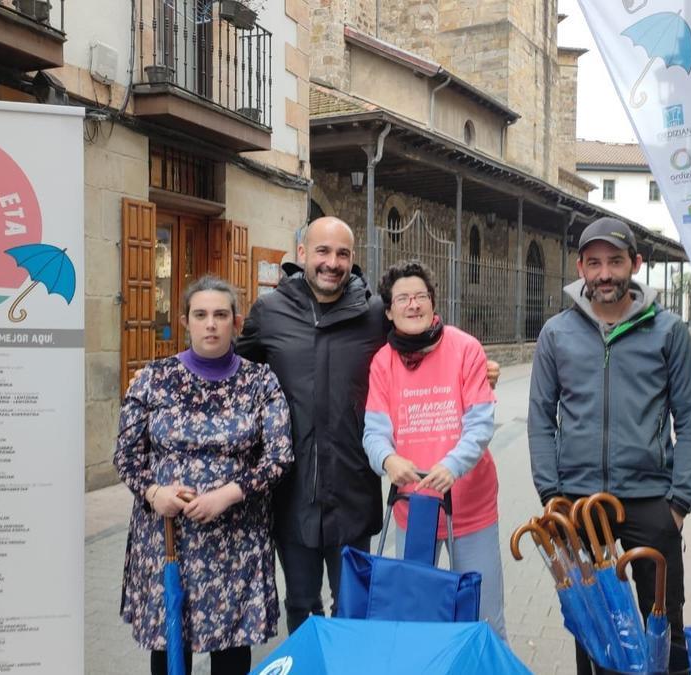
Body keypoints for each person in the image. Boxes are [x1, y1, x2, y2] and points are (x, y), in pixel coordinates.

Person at [236, 216, 500, 632]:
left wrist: (479, 367)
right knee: (302, 605)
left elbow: (420, 339)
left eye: (342, 253)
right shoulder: (269, 312)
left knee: (355, 607)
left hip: (351, 490)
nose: (332, 262)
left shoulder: (374, 313)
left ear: (353, 259)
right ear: (302, 253)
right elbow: (235, 376)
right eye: (322, 251)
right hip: (293, 490)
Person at [528, 216, 691, 674]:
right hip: (579, 505)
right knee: (594, 628)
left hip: (652, 501)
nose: (604, 273)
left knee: (665, 625)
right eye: (594, 263)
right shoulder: (557, 334)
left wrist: (679, 502)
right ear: (580, 268)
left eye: (615, 261)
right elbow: (539, 421)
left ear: (636, 264)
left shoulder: (668, 332)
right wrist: (552, 497)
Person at [114, 275, 293, 675]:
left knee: (231, 655)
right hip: (167, 537)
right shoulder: (153, 379)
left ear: (236, 322)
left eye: (220, 314)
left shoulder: (260, 382)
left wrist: (228, 494)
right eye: (200, 314)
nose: (210, 323)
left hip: (235, 538)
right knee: (170, 648)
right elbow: (126, 455)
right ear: (185, 321)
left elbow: (279, 456)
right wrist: (152, 492)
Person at [362, 260, 506, 638]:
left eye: (420, 296)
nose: (413, 305)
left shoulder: (465, 349)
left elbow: (480, 424)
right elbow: (374, 432)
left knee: (484, 618)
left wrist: (453, 466)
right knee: (417, 618)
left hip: (471, 510)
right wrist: (388, 459)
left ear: (433, 302)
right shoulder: (383, 362)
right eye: (403, 299)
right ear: (389, 311)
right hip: (415, 511)